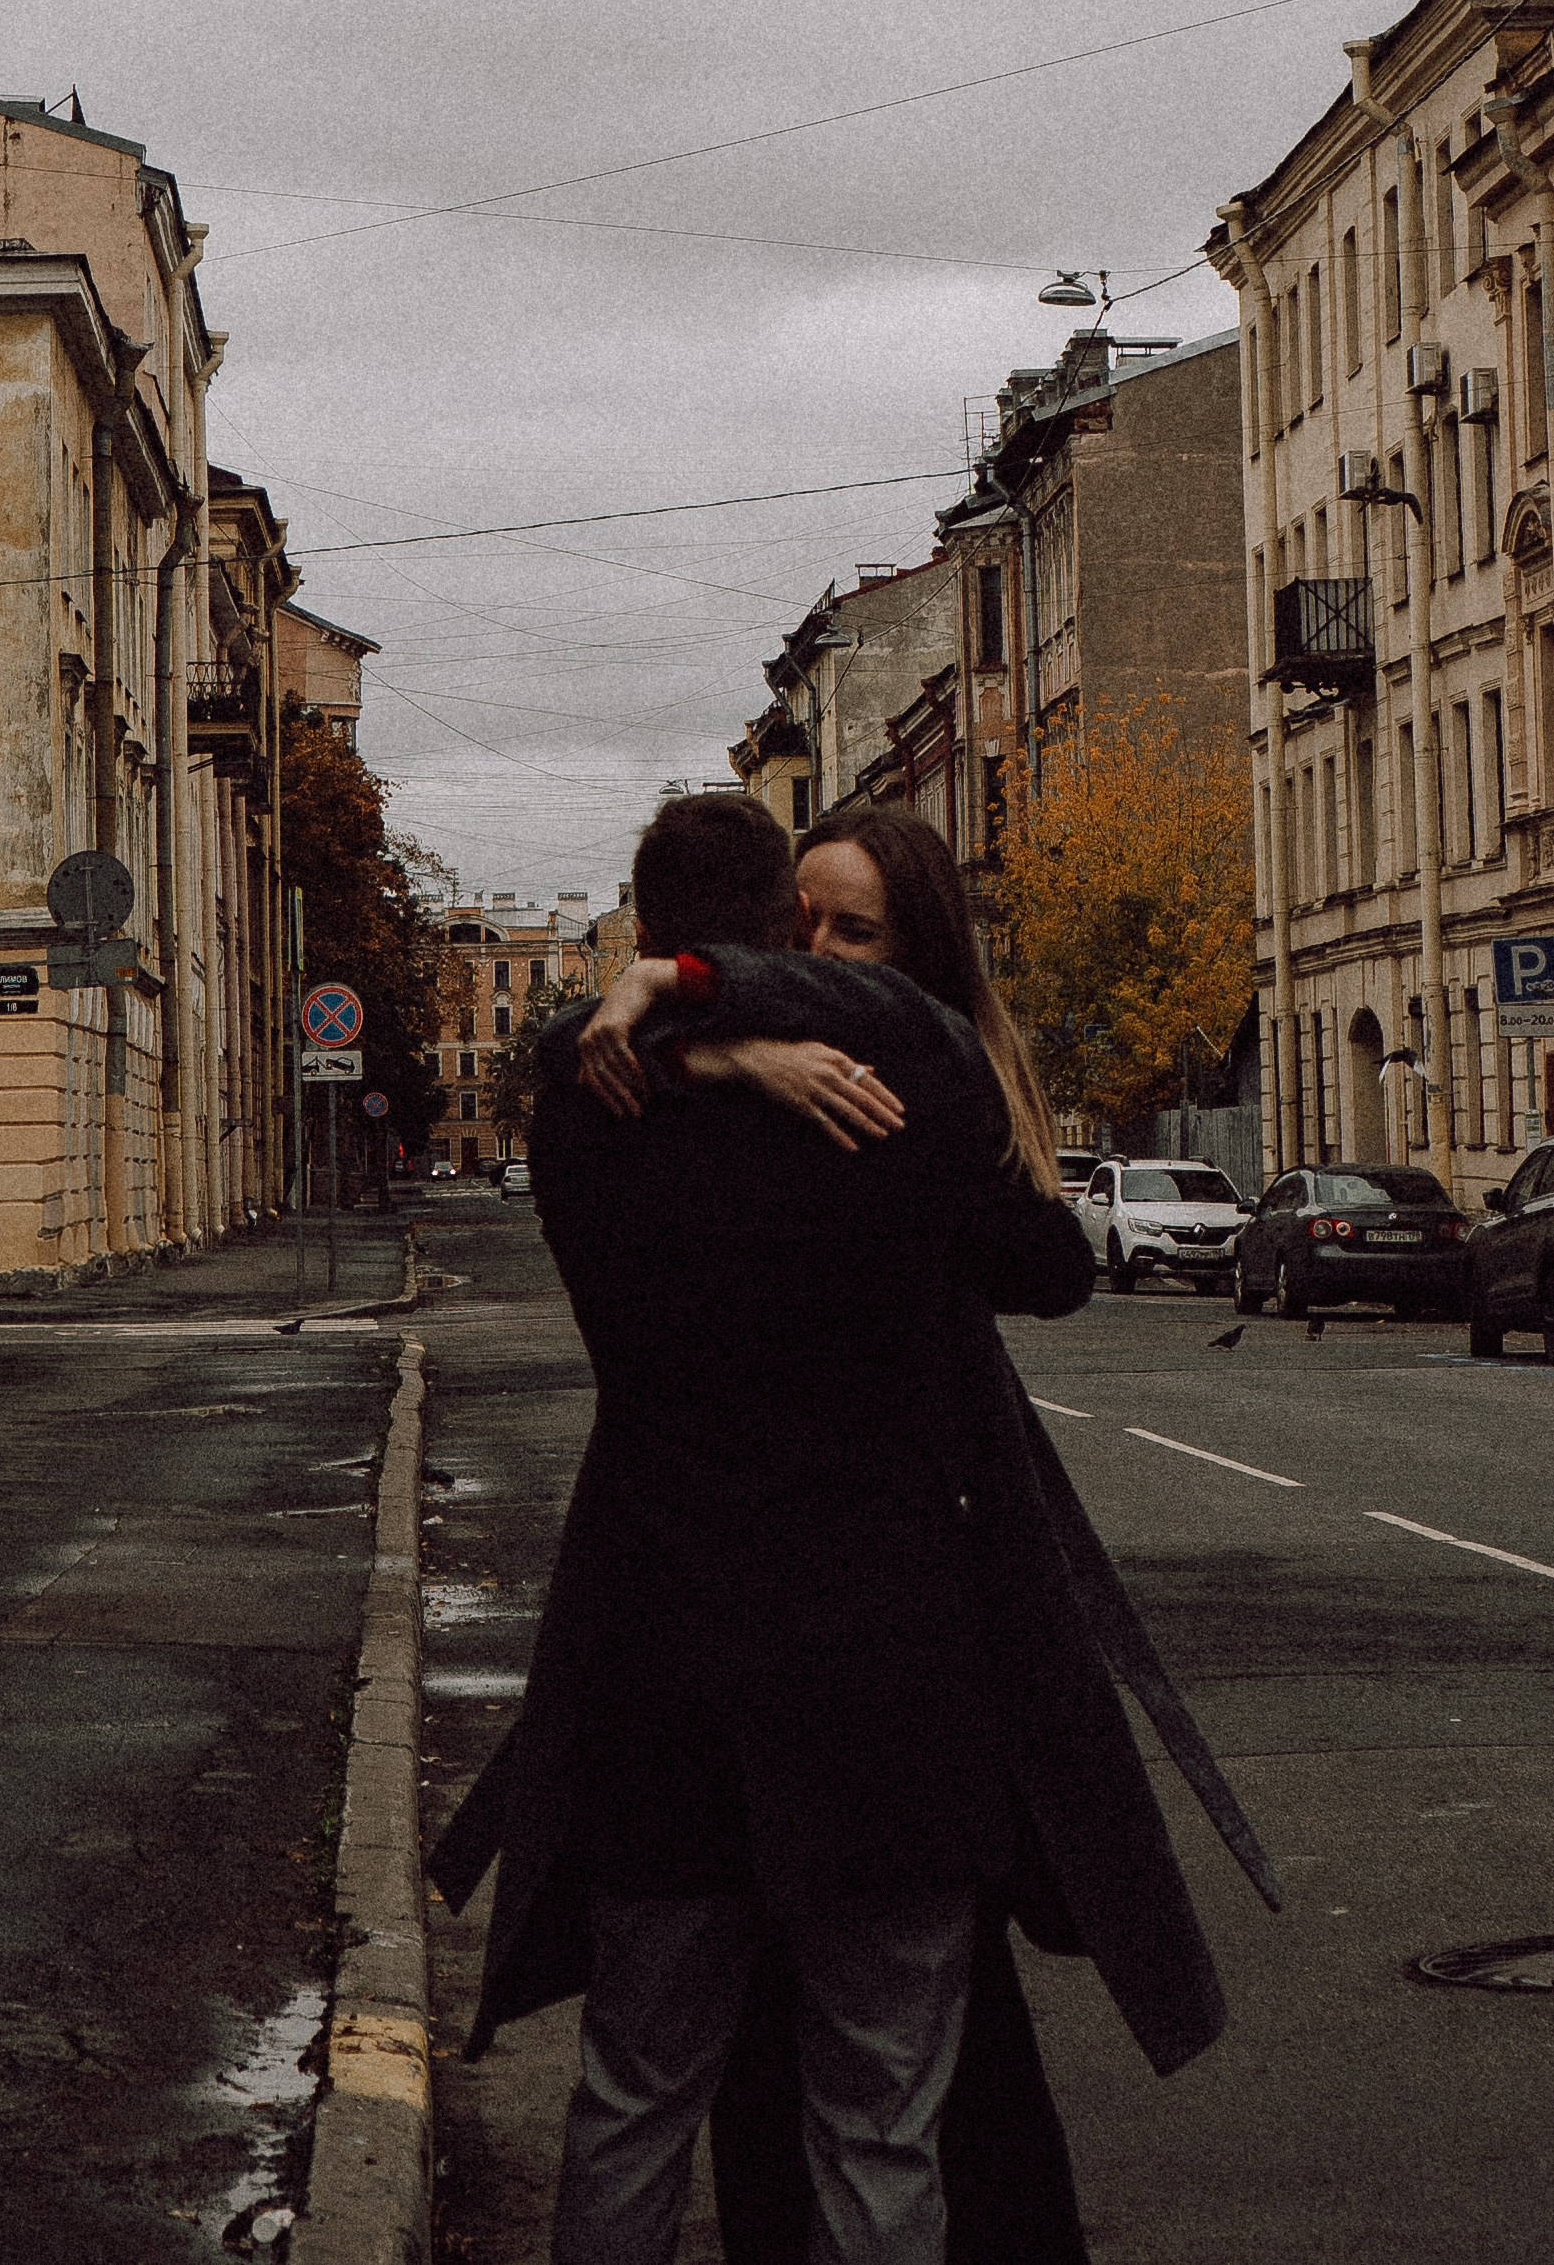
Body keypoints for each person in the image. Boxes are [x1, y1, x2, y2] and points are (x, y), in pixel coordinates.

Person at [430, 789, 1273, 2265]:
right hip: (886, 1691)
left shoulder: (584, 1114)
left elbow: (563, 1047)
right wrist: (734, 1018)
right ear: (772, 930)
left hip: (666, 1680)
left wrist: (682, 1008)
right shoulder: (907, 1093)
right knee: (877, 2117)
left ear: (638, 927)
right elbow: (1024, 1221)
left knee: (631, 2092)